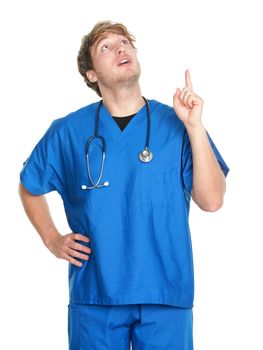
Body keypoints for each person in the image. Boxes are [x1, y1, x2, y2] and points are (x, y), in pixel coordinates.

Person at [18, 20, 230, 350]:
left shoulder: (178, 125)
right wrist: (51, 238)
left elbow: (213, 200)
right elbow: (29, 186)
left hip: (166, 293)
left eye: (125, 43)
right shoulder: (68, 132)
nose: (121, 48)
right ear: (91, 75)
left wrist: (195, 126)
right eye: (106, 47)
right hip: (96, 294)